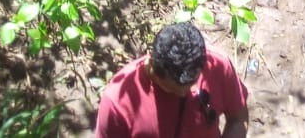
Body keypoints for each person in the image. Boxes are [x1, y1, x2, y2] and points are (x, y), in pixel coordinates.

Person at [95, 22, 249, 138]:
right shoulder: (117, 102)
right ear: (153, 68)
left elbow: (238, 118)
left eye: (191, 85)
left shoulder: (217, 65)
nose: (185, 94)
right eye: (172, 90)